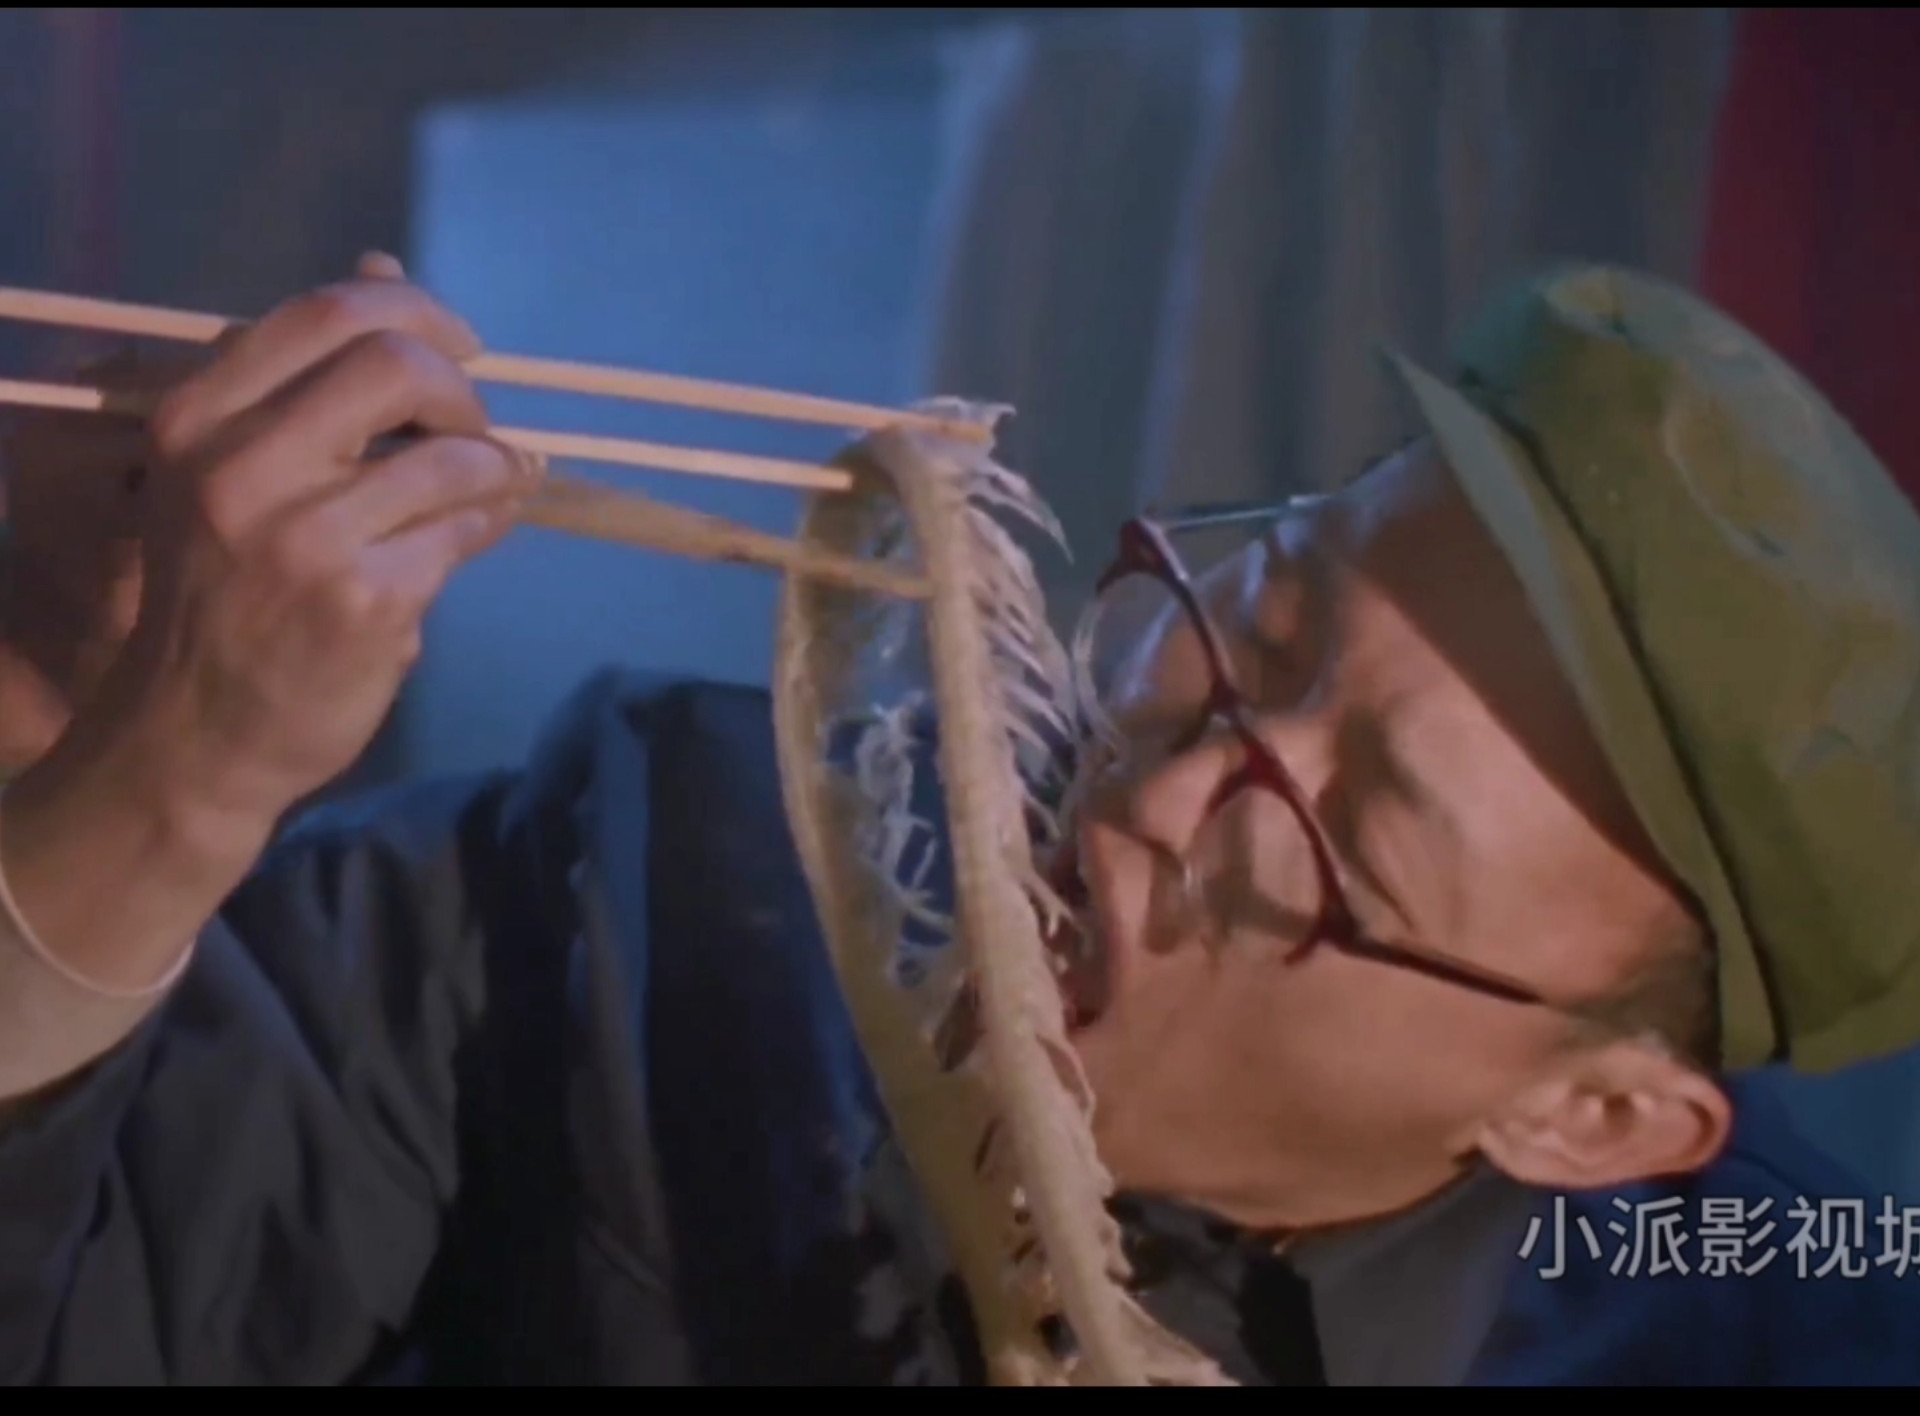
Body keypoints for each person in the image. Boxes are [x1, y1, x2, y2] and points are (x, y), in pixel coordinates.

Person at [0, 256, 1915, 1386]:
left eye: (1340, 835)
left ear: (1593, 1122)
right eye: (1257, 627)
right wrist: (146, 773)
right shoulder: (664, 875)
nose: (1154, 787)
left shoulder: (1780, 1327)